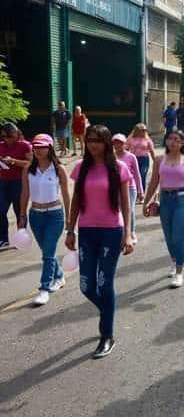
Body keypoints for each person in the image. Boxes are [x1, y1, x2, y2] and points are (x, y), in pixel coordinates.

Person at [65, 125, 134, 359]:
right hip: (86, 232)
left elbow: (126, 204)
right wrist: (70, 230)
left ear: (106, 142)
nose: (93, 144)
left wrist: (128, 234)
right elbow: (75, 200)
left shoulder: (119, 168)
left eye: (98, 140)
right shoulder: (80, 168)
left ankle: (107, 334)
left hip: (111, 232)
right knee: (86, 286)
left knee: (105, 285)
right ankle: (108, 311)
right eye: (89, 140)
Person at [18, 134, 71, 306]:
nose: (38, 150)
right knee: (47, 253)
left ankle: (44, 289)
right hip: (35, 216)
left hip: (55, 215)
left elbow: (66, 193)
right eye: (36, 146)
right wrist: (22, 215)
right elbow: (25, 193)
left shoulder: (58, 169)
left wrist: (70, 217)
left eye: (42, 146)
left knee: (48, 253)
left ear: (50, 148)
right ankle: (59, 276)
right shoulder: (28, 169)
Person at [143, 130, 184, 288]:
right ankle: (174, 262)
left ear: (182, 143)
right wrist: (146, 202)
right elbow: (153, 182)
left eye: (177, 139)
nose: (173, 142)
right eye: (170, 139)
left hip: (182, 199)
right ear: (166, 142)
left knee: (177, 237)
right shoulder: (160, 159)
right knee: (168, 236)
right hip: (165, 199)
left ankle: (179, 273)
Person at [0, 123, 33, 248]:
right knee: (1, 210)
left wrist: (13, 161)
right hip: (3, 181)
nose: (6, 139)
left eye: (9, 136)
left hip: (18, 181)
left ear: (16, 134)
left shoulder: (24, 145)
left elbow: (30, 163)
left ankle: (22, 237)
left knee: (19, 210)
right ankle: (3, 238)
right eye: (3, 136)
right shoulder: (1, 146)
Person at [112, 134, 143, 243]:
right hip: (116, 188)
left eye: (120, 143)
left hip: (130, 187)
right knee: (118, 210)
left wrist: (140, 191)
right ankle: (122, 232)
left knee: (130, 210)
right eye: (115, 143)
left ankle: (132, 232)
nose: (118, 145)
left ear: (125, 144)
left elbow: (137, 174)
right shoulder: (111, 157)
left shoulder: (131, 157)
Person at [126, 124, 156, 194]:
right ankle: (134, 192)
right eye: (142, 130)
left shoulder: (147, 139)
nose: (144, 132)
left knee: (142, 175)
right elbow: (126, 148)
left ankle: (141, 193)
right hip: (133, 159)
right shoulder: (131, 138)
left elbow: (152, 151)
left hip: (144, 159)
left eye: (144, 130)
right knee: (133, 176)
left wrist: (155, 161)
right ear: (137, 130)